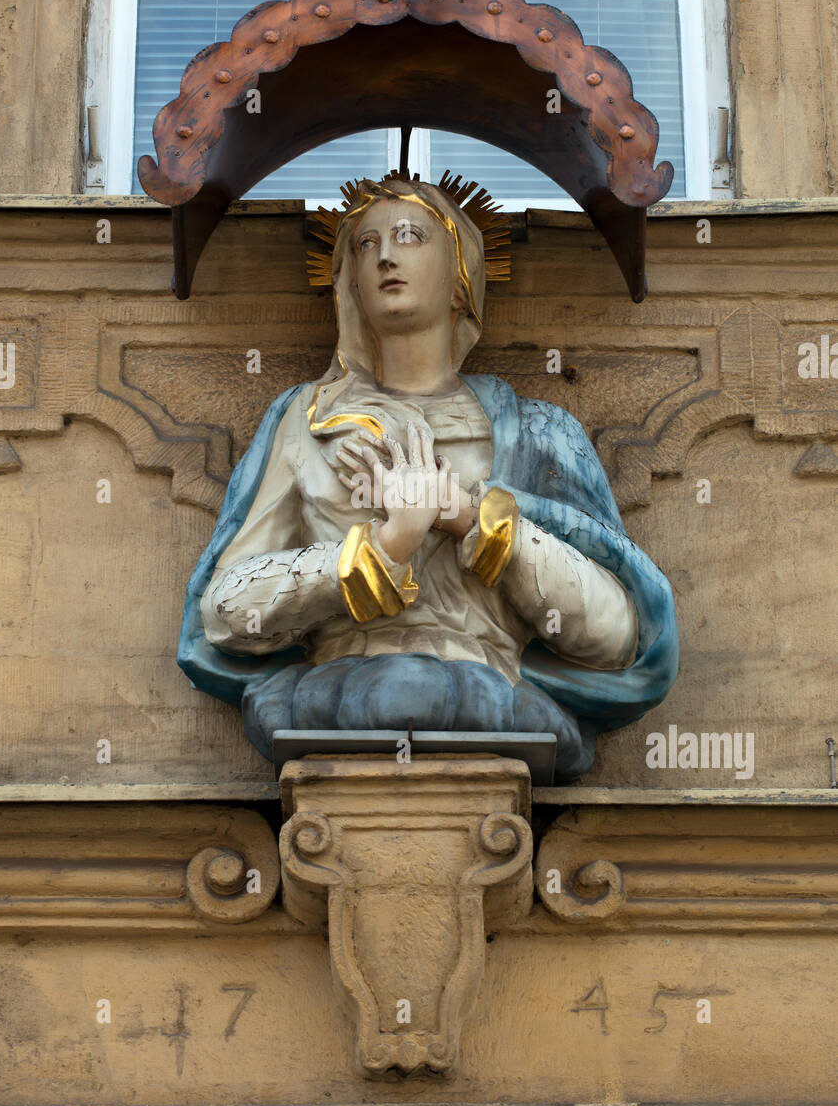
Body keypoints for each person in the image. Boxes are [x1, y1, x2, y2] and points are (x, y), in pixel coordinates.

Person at [179, 176, 677, 782]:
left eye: (410, 236)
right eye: (364, 245)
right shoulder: (306, 422)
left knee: (411, 692)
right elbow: (225, 610)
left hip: (492, 686)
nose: (385, 255)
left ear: (461, 274)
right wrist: (386, 547)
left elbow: (617, 633)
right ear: (350, 282)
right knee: (397, 690)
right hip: (340, 683)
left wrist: (471, 519)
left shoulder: (537, 431)